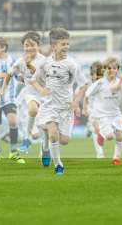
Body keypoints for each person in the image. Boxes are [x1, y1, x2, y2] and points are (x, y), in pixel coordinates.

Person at [30, 28, 88, 175]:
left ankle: (45, 144)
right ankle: (58, 166)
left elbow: (84, 84)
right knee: (54, 134)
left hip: (65, 108)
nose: (66, 47)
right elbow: (33, 80)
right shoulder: (45, 63)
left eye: (68, 44)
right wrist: (41, 89)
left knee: (64, 140)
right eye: (63, 44)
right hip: (49, 106)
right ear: (54, 46)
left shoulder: (72, 64)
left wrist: (76, 102)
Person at [0, 32, 45, 153]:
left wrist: (28, 66)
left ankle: (44, 149)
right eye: (26, 45)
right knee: (33, 110)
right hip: (30, 93)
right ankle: (26, 138)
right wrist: (2, 90)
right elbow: (9, 74)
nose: (29, 48)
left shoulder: (44, 61)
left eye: (32, 45)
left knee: (43, 129)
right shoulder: (20, 61)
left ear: (38, 45)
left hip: (45, 94)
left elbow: (37, 73)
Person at [0, 37, 25, 164]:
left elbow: (18, 75)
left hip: (9, 97)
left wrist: (22, 78)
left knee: (13, 121)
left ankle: (13, 152)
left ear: (3, 48)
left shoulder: (12, 60)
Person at [85, 57, 122, 165]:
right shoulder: (99, 83)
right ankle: (100, 133)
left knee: (120, 136)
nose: (111, 70)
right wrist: (85, 107)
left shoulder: (120, 82)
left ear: (117, 69)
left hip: (116, 113)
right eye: (108, 68)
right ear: (104, 69)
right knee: (109, 137)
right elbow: (87, 94)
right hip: (103, 115)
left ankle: (116, 158)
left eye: (114, 68)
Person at [82, 61, 105, 158]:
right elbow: (85, 97)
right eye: (95, 73)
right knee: (97, 130)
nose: (98, 76)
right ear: (92, 74)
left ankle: (89, 128)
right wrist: (84, 108)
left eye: (100, 73)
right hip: (92, 110)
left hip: (103, 110)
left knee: (101, 130)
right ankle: (100, 153)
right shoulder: (88, 84)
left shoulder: (105, 83)